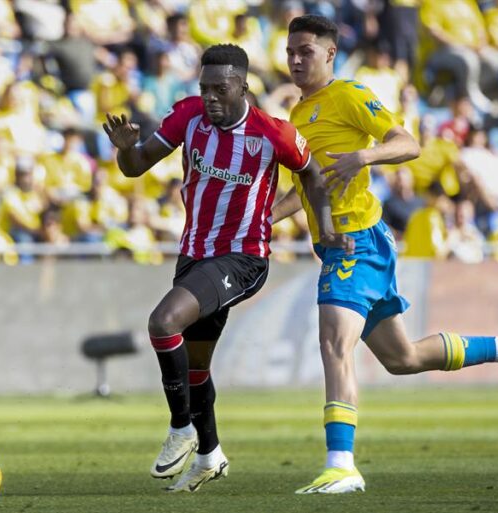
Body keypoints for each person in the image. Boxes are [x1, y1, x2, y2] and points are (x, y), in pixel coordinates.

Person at [278, 14, 498, 495]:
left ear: (330, 54)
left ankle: (341, 465)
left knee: (335, 345)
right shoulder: (299, 114)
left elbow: (408, 143)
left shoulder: (351, 95)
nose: (295, 59)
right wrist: (262, 220)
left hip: (356, 244)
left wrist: (364, 156)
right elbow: (309, 187)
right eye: (290, 51)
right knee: (403, 358)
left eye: (306, 52)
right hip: (341, 245)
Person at [102, 43, 350, 493]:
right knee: (195, 366)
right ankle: (210, 454)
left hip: (243, 256)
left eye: (221, 89)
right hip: (194, 253)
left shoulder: (272, 133)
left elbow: (312, 174)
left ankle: (181, 429)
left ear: (243, 87)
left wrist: (327, 229)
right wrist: (126, 149)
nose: (211, 97)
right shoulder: (188, 116)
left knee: (163, 321)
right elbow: (136, 167)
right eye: (205, 88)